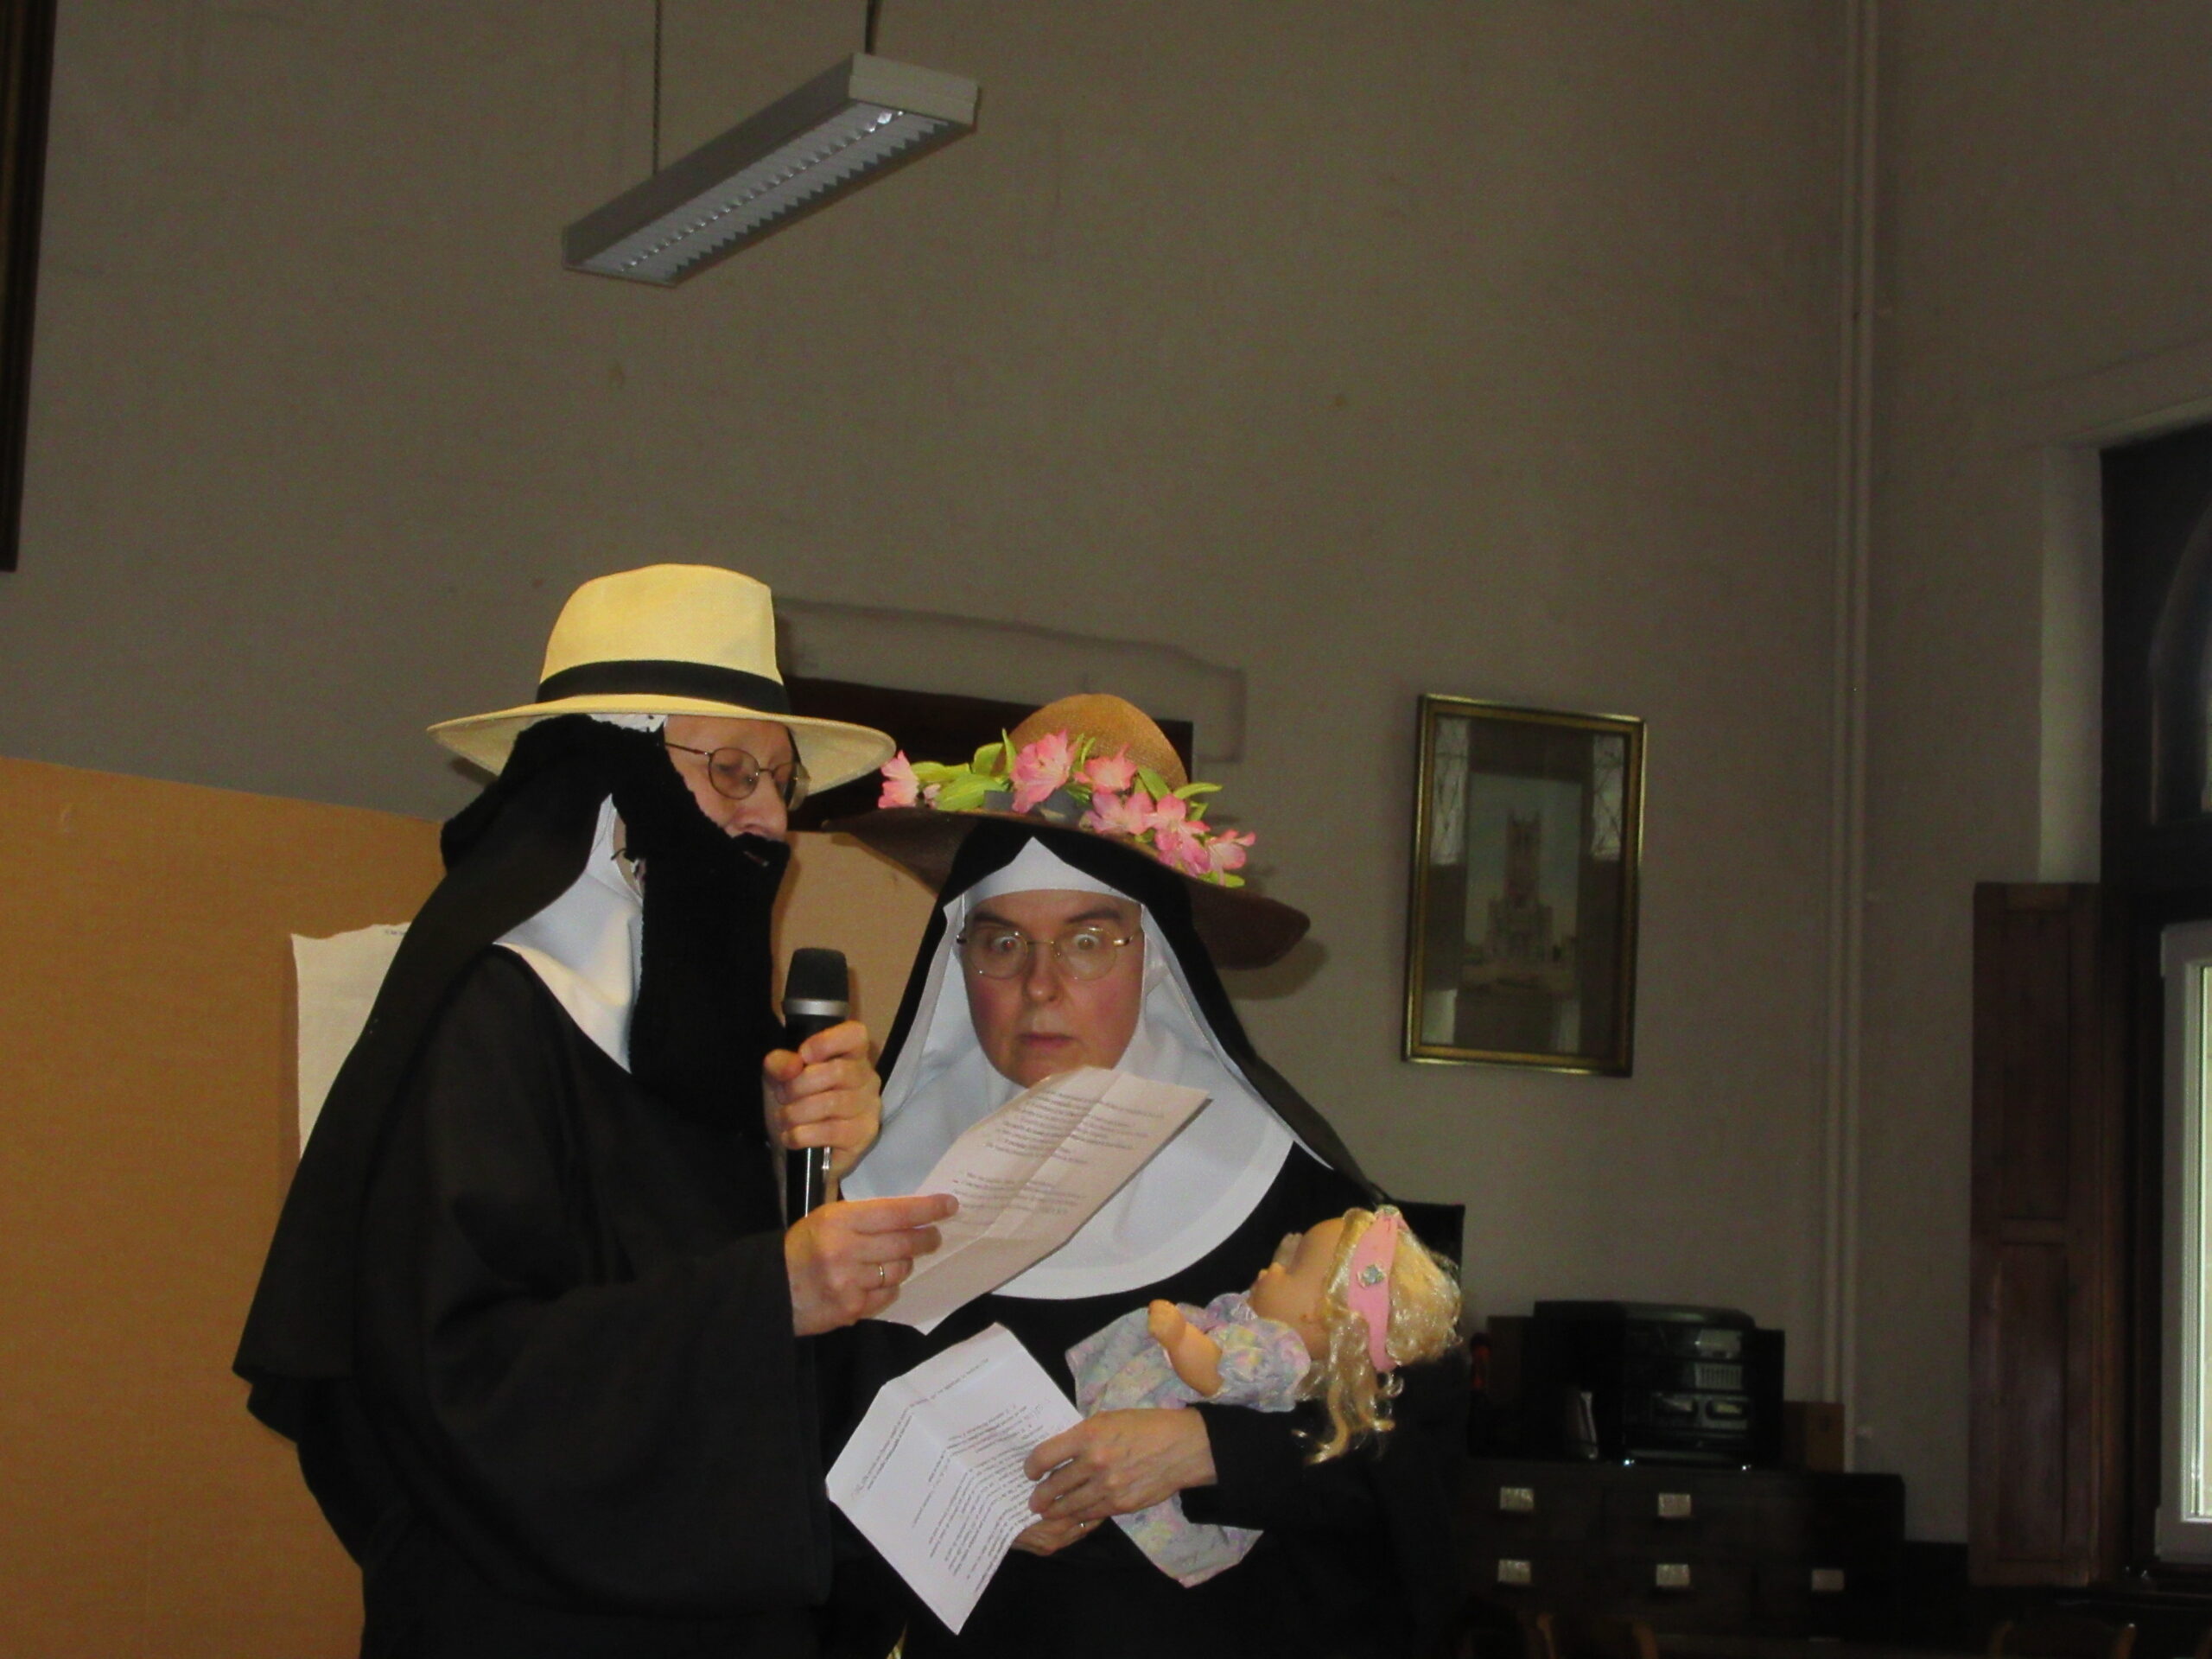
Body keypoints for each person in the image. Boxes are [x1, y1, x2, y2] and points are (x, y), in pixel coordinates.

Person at [234, 563, 956, 1658]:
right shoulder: (487, 1019)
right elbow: (458, 1379)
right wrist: (767, 1294)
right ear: (613, 781)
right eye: (731, 772)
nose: (770, 819)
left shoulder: (714, 1044)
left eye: (780, 778)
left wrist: (795, 1169)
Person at [832, 694, 1467, 1659]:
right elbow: (801, 1460)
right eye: (1001, 942)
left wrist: (1212, 1451)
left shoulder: (1292, 1196)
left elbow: (1411, 1456)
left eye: (1089, 942)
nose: (1039, 986)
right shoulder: (868, 1196)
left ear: (1158, 962)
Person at [1069, 1205, 1465, 1588]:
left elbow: (1212, 1373)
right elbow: (1265, 1303)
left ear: (1320, 1314)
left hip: (1153, 1452)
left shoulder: (1277, 1357)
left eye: (1290, 1269)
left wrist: (1179, 1337)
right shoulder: (1266, 1326)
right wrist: (1288, 1261)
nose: (1269, 1270)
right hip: (1139, 1426)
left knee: (1095, 1492)